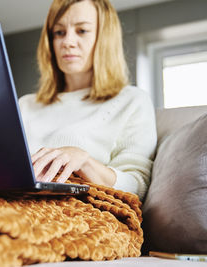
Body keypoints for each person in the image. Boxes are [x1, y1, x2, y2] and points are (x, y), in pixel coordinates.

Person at [19, 0, 157, 198]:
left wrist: (85, 161)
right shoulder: (25, 104)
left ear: (104, 38)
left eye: (82, 30)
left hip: (74, 211)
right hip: (9, 200)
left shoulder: (132, 101)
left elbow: (136, 187)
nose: (68, 42)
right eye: (59, 32)